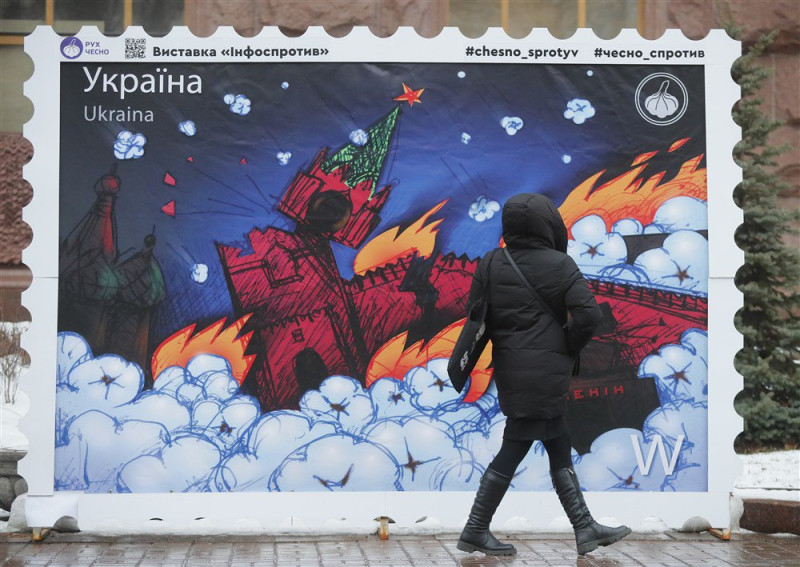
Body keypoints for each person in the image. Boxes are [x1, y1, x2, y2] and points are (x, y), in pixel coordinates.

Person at [456, 193, 631, 556]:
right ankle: (475, 529)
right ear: (547, 223)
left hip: (510, 370)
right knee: (516, 445)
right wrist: (568, 344)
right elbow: (590, 316)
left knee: (558, 439)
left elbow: (476, 315)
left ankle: (584, 527)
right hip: (549, 371)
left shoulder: (491, 263)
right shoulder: (561, 264)